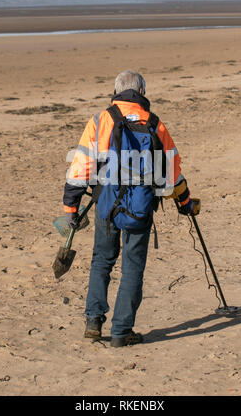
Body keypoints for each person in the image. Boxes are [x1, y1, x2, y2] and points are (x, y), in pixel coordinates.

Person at [63, 70, 200, 347]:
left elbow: (80, 168)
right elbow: (172, 174)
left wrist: (71, 208)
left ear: (117, 90)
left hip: (105, 205)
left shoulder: (101, 120)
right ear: (142, 92)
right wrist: (185, 203)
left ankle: (93, 320)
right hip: (140, 207)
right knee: (133, 268)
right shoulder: (155, 124)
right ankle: (121, 332)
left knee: (102, 261)